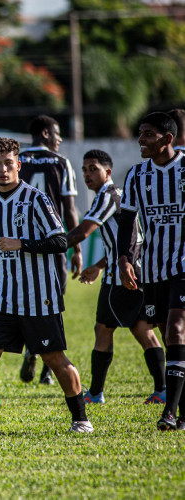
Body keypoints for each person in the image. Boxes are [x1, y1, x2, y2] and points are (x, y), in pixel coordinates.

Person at [0, 137, 92, 438]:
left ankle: (81, 418)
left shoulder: (36, 199)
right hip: (3, 297)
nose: (2, 169)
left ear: (18, 165)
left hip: (40, 299)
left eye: (8, 163)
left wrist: (21, 244)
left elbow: (61, 241)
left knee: (54, 358)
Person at [65, 149, 165, 404]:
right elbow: (127, 240)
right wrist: (99, 264)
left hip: (121, 276)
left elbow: (83, 232)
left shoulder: (107, 196)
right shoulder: (119, 195)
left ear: (107, 172)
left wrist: (44, 246)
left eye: (93, 169)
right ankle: (161, 390)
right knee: (139, 329)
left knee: (108, 329)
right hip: (134, 270)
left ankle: (97, 393)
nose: (87, 174)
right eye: (84, 169)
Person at [117, 112, 185, 431]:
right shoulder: (137, 175)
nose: (140, 140)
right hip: (155, 267)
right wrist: (124, 259)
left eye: (148, 134)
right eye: (140, 133)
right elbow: (128, 220)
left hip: (184, 265)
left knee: (175, 328)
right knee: (166, 330)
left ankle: (169, 412)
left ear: (167, 139)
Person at [17, 115, 82, 385]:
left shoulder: (15, 161)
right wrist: (75, 248)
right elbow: (68, 209)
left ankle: (32, 350)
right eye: (56, 134)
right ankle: (46, 365)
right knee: (51, 303)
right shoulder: (61, 162)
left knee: (21, 299)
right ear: (44, 133)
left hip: (20, 243)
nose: (59, 139)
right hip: (53, 244)